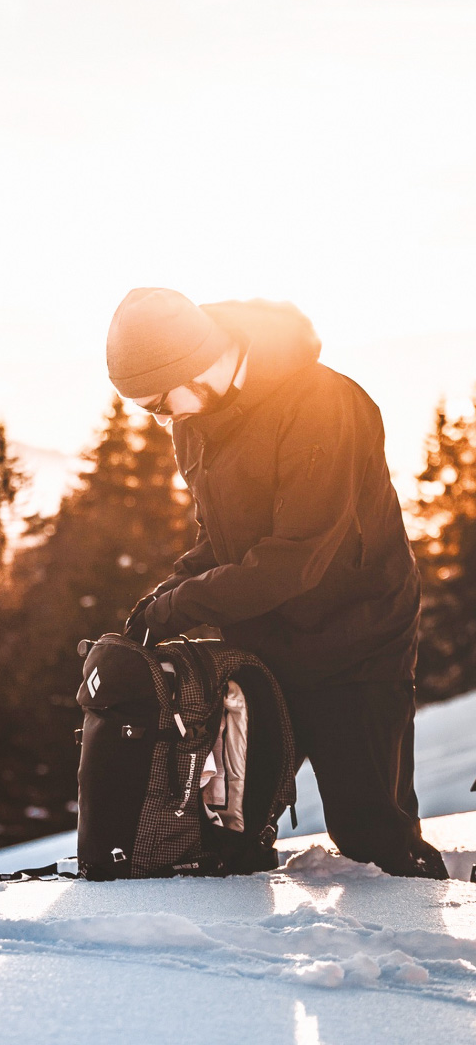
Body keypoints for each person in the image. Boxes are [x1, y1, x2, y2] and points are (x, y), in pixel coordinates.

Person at [106, 287, 448, 879]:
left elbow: (295, 557)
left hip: (356, 641)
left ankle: (417, 947)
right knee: (233, 828)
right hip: (266, 649)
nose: (161, 418)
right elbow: (222, 539)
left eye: (158, 402)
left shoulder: (321, 404)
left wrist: (178, 610)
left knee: (371, 832)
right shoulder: (196, 418)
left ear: (189, 364)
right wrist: (159, 601)